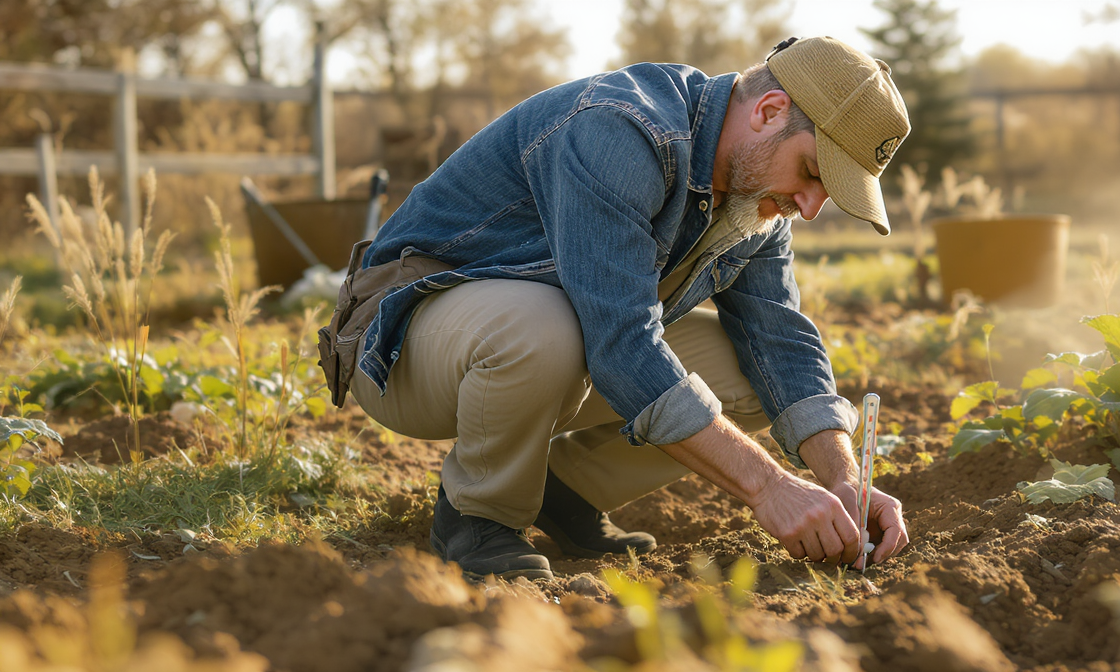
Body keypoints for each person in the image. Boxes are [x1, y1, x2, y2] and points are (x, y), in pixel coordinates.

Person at [319, 36, 912, 581]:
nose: (809, 207)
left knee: (751, 372)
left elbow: (781, 341)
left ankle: (560, 488)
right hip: (401, 340)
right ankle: (478, 519)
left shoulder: (757, 201)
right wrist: (769, 487)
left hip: (542, 335)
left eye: (827, 193)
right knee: (544, 327)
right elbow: (621, 342)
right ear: (768, 111)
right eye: (813, 172)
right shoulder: (622, 130)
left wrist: (844, 479)